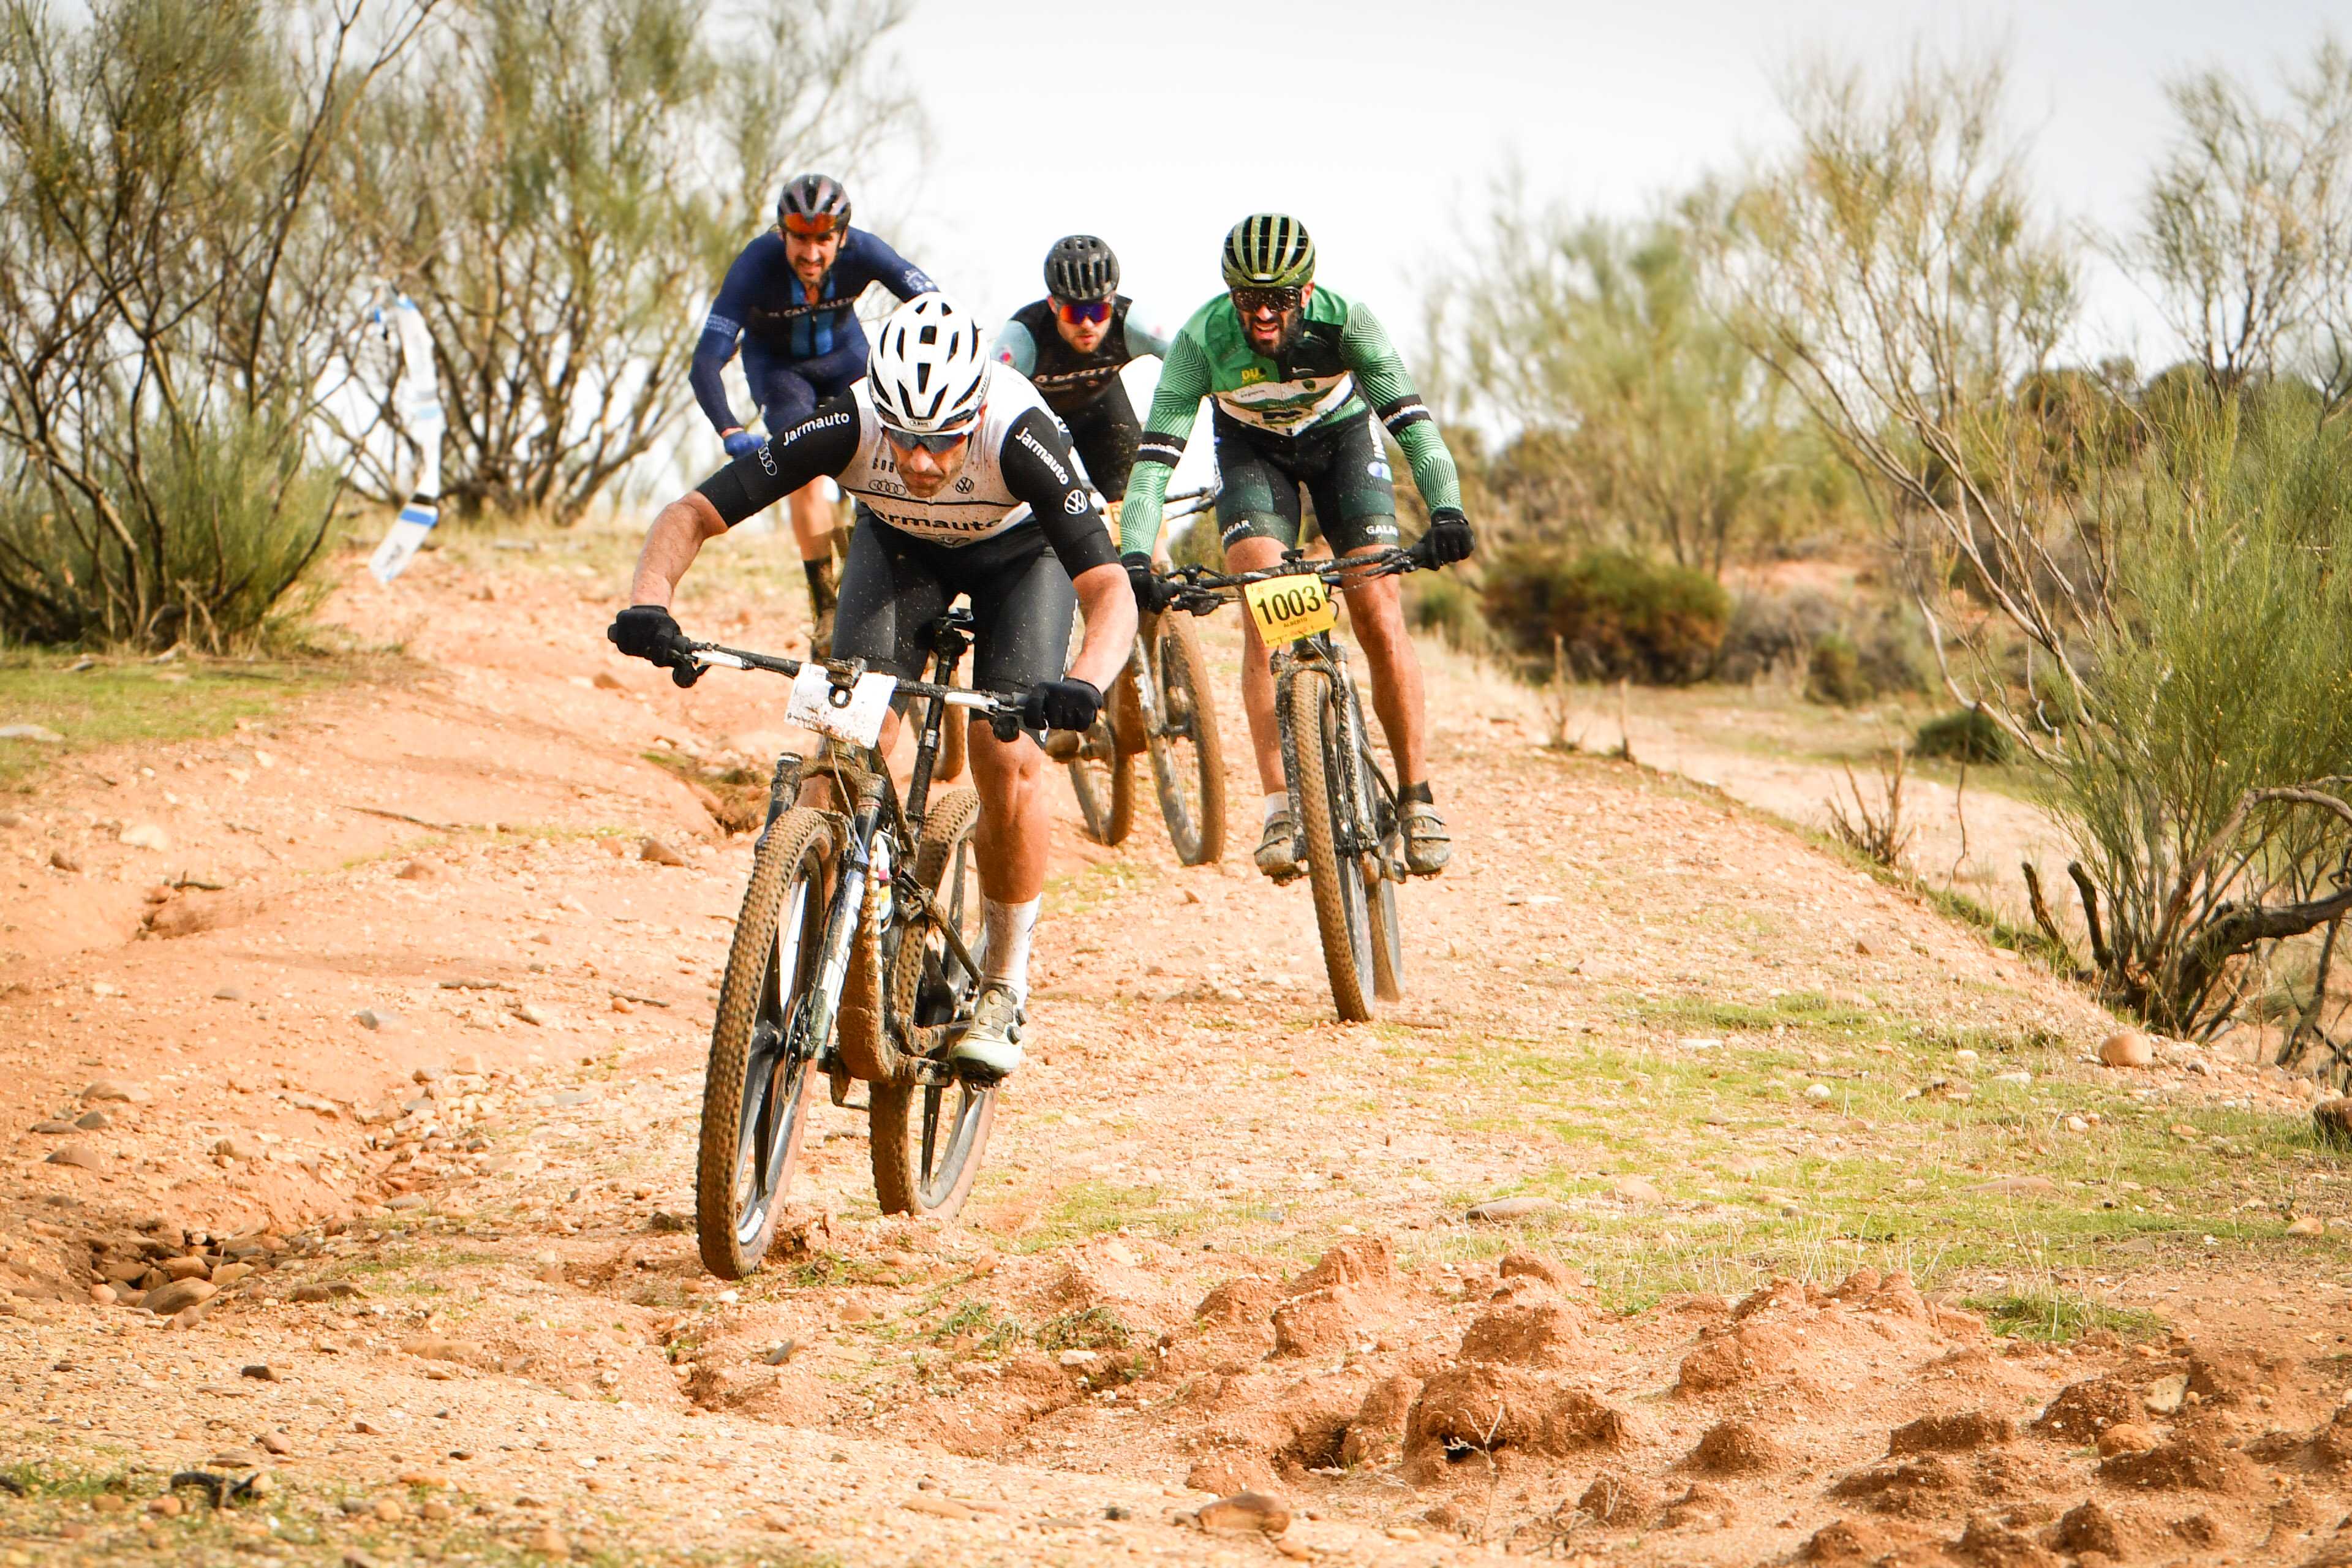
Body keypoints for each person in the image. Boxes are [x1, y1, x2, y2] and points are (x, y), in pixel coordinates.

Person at [613, 295, 1137, 1079]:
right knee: (848, 739)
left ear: (976, 411)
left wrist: (1085, 683)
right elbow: (693, 512)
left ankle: (1005, 982)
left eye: (943, 441)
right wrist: (650, 598)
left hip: (1020, 562)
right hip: (898, 556)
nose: (923, 463)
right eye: (906, 439)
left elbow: (1108, 589)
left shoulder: (1020, 431)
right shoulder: (846, 421)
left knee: (1006, 758)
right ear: (879, 411)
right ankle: (813, 941)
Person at [1117, 213, 1476, 881]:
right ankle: (1283, 801)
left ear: (1306, 292)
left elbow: (1417, 432)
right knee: (1264, 611)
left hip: (1342, 441)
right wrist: (1136, 552)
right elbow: (1153, 465)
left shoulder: (1350, 324)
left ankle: (1417, 794)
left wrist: (1446, 508)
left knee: (1378, 609)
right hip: (1254, 455)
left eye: (1277, 298)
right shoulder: (1201, 342)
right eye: (1246, 297)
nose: (1260, 313)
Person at [688, 173, 937, 652]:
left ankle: (899, 556)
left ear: (842, 235)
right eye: (799, 238)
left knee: (904, 445)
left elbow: (935, 306)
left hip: (846, 358)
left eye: (824, 239)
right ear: (781, 232)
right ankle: (824, 606)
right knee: (800, 467)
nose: (812, 253)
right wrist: (730, 428)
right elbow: (706, 360)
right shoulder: (755, 265)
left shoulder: (865, 251)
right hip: (780, 373)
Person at [990, 236, 1171, 516]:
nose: (1087, 325)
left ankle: (1156, 561)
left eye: (1098, 311)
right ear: (1053, 305)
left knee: (1139, 500)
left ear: (1112, 302)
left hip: (1101, 410)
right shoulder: (1022, 338)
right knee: (1045, 504)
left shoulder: (1135, 323)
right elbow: (988, 405)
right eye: (1075, 313)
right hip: (1041, 418)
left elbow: (1195, 367)